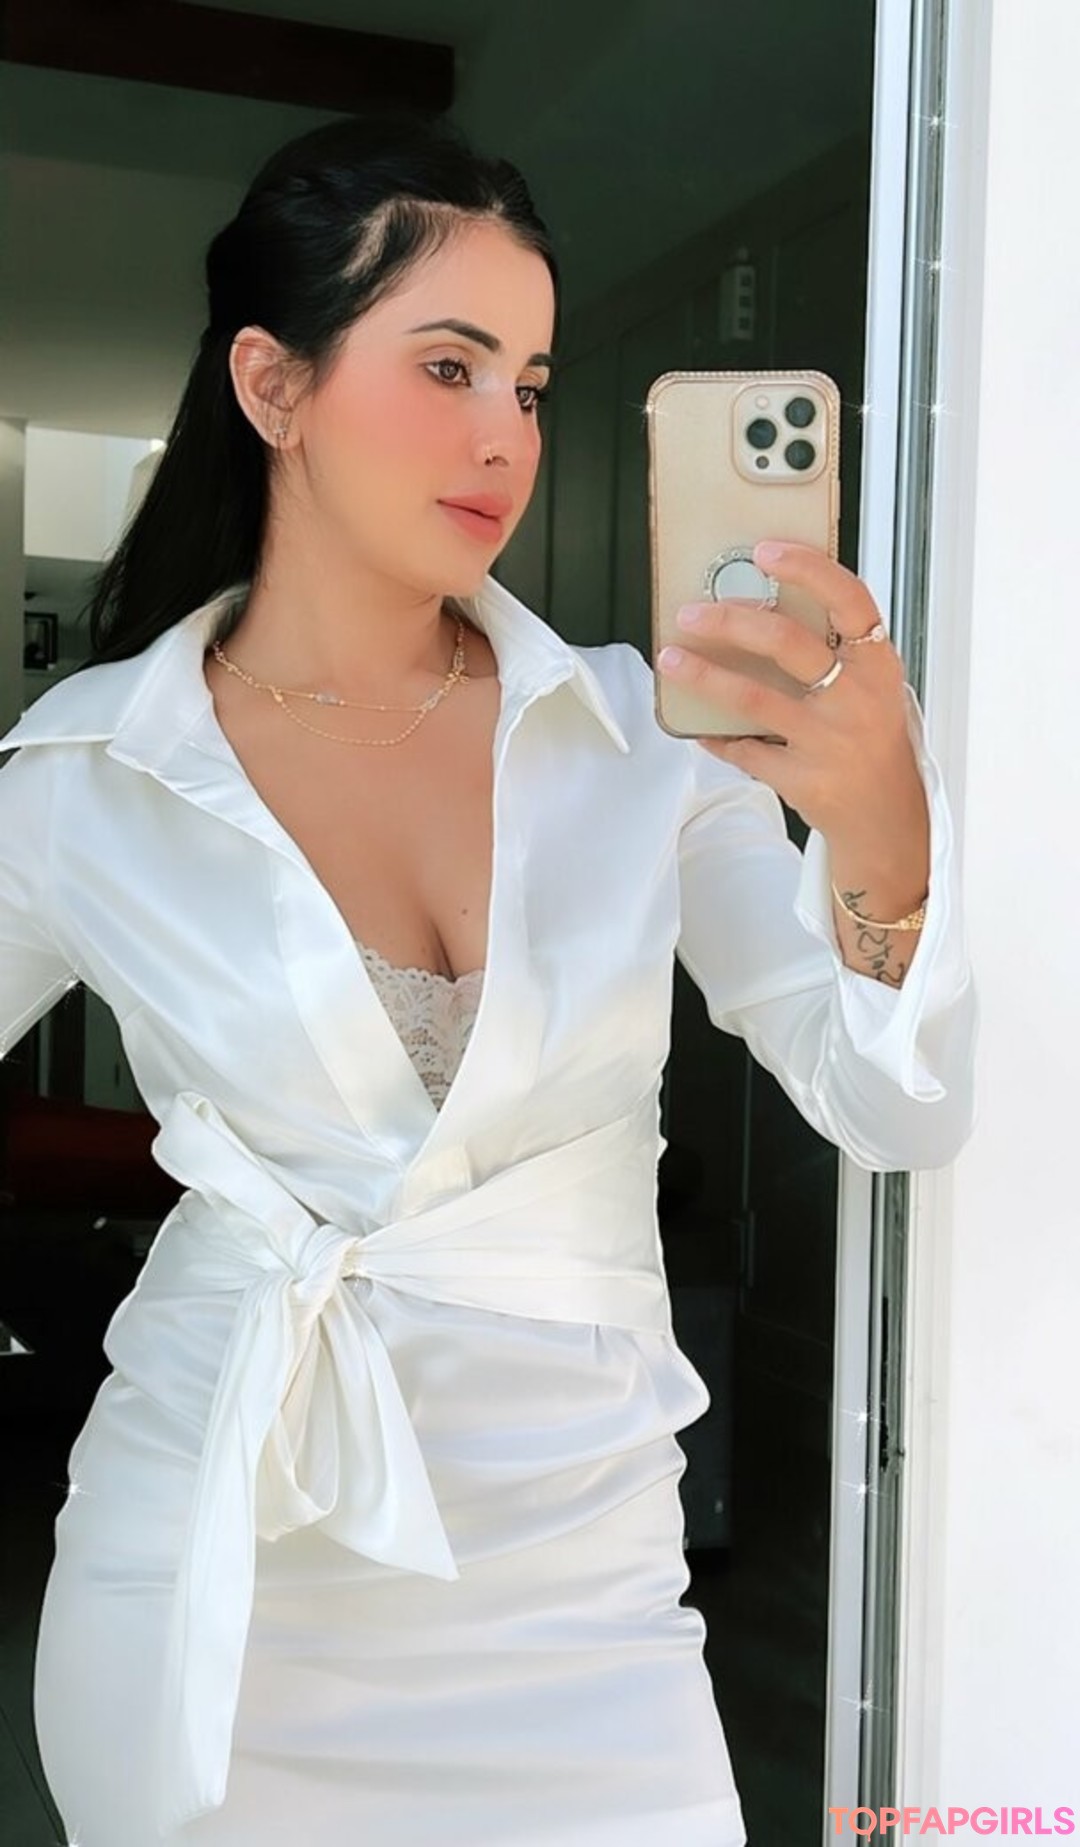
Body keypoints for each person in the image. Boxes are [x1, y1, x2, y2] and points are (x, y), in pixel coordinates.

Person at [0, 106, 976, 1847]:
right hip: (217, 1579)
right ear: (272, 383)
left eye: (527, 383)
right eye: (447, 367)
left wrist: (885, 832)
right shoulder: (92, 773)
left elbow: (894, 1108)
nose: (504, 435)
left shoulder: (644, 737)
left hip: (586, 1602)